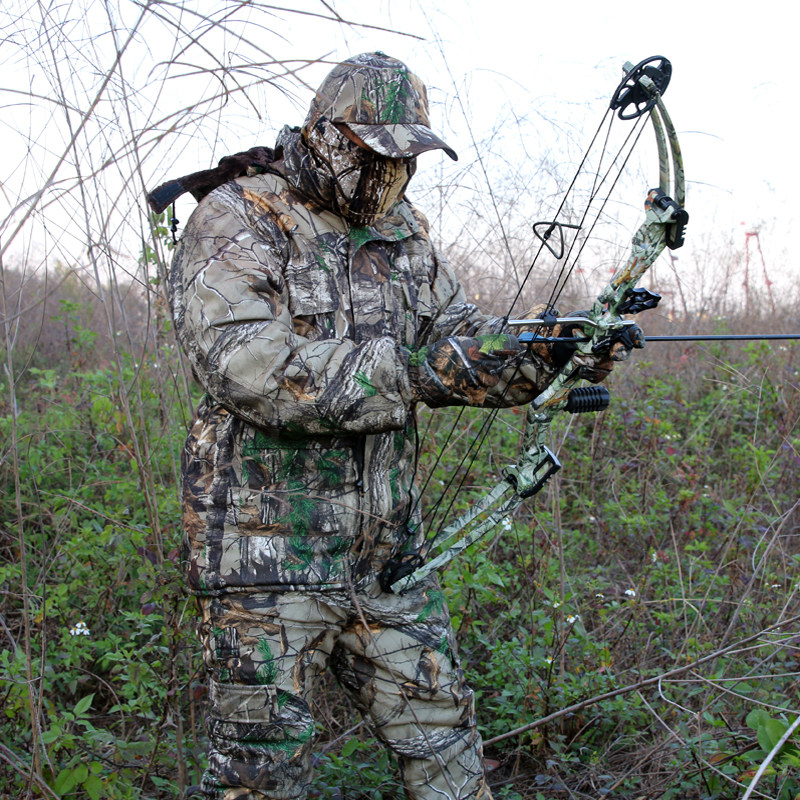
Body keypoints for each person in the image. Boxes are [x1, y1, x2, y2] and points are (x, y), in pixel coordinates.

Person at [161, 52, 623, 800]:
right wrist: (415, 372)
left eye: (405, 158)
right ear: (325, 135)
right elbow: (248, 366)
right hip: (264, 562)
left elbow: (460, 339)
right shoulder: (240, 215)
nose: (388, 173)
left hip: (388, 562)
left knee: (447, 749)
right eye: (373, 152)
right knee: (258, 775)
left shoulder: (403, 233)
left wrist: (551, 351)